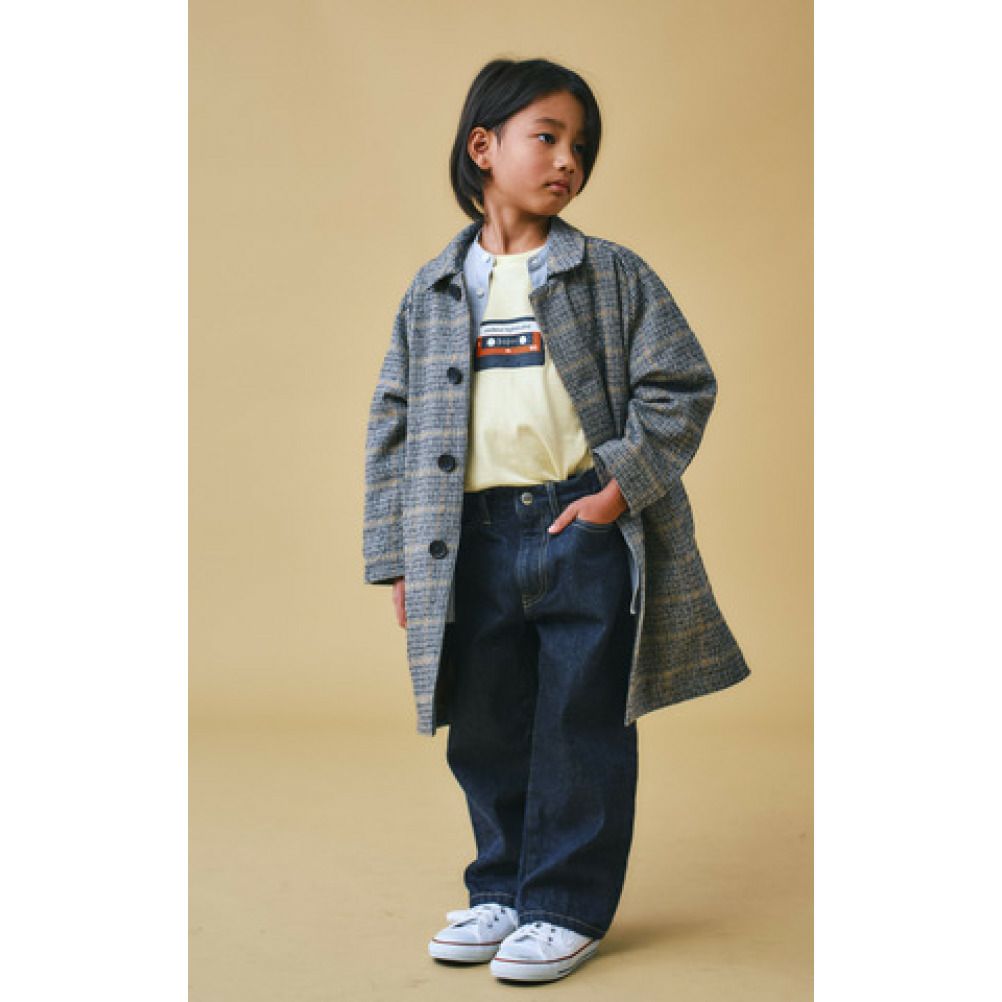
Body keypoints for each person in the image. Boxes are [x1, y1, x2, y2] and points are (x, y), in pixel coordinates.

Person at [362, 57, 750, 983]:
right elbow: (393, 423)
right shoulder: (435, 288)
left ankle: (565, 906)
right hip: (469, 539)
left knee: (582, 722)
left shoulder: (609, 273)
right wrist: (400, 558)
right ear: (483, 147)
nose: (569, 160)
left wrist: (616, 491)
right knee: (486, 723)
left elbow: (681, 385)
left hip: (581, 527)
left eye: (582, 146)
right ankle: (502, 890)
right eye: (548, 137)